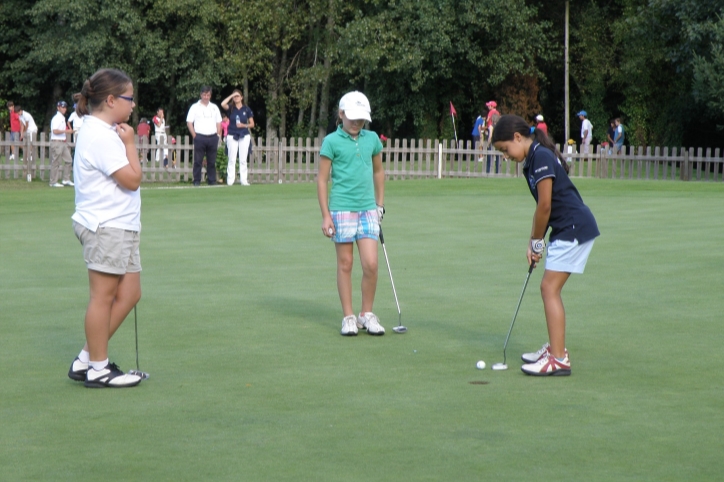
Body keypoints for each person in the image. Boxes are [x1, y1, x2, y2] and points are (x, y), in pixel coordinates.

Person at [491, 115, 599, 376]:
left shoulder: (539, 157)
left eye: (505, 149)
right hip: (567, 227)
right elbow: (542, 210)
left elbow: (545, 205)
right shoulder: (534, 158)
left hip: (572, 227)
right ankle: (556, 349)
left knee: (549, 288)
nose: (506, 156)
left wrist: (537, 241)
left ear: (518, 137)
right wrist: (534, 243)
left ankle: (559, 359)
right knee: (549, 288)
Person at [67, 68, 144, 388]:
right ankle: (98, 368)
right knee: (102, 297)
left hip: (120, 226)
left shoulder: (102, 130)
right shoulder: (100, 134)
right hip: (105, 226)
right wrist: (131, 143)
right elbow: (132, 178)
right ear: (111, 100)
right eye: (129, 99)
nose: (133, 106)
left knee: (130, 293)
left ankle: (87, 358)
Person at [317, 91, 386, 336]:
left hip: (368, 208)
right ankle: (348, 317)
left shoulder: (372, 139)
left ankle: (366, 314)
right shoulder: (331, 142)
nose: (357, 123)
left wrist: (379, 204)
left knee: (371, 264)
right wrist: (326, 215)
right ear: (341, 114)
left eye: (361, 119)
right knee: (345, 263)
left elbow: (378, 172)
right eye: (353, 117)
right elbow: (323, 180)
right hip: (341, 208)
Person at [186, 86, 222, 186]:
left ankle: (212, 180)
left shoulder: (214, 107)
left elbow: (219, 122)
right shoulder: (195, 107)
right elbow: (189, 122)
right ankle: (196, 180)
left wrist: (218, 135)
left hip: (212, 137)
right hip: (200, 137)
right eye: (204, 95)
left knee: (212, 161)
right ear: (201, 95)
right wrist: (194, 135)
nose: (206, 97)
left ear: (210, 96)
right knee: (198, 161)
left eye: (208, 95)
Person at [221, 89, 255, 186]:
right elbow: (223, 103)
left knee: (243, 159)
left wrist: (244, 125)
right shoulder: (231, 108)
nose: (236, 98)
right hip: (232, 134)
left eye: (237, 96)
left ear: (241, 97)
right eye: (234, 96)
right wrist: (231, 95)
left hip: (244, 134)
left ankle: (243, 180)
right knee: (232, 158)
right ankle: (230, 180)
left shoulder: (246, 109)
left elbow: (252, 124)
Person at [49, 101, 75, 187]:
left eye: (65, 107)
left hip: (62, 142)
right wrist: (66, 131)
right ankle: (53, 182)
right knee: (56, 162)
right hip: (56, 142)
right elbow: (55, 131)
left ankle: (66, 180)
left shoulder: (62, 118)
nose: (64, 109)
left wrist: (68, 131)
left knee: (69, 160)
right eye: (62, 107)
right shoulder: (56, 118)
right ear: (58, 108)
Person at [15, 105, 38, 182]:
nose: (18, 114)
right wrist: (21, 133)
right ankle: (28, 155)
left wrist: (24, 132)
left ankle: (30, 156)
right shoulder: (20, 116)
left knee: (30, 143)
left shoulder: (26, 115)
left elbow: (27, 125)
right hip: (27, 130)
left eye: (18, 112)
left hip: (32, 129)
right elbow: (21, 125)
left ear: (20, 110)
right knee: (25, 144)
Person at [484, 101, 501, 172]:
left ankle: (488, 171)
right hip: (497, 136)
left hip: (491, 130)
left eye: (489, 106)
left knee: (489, 155)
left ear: (492, 106)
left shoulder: (491, 112)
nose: (488, 107)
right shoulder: (498, 112)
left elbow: (487, 119)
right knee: (497, 156)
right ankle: (497, 171)